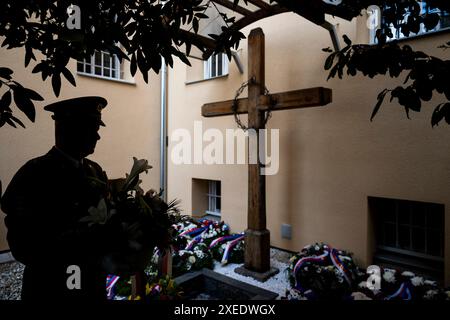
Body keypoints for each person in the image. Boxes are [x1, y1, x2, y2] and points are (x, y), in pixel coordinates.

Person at [1, 96, 125, 301]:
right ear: (70, 129)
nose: (97, 136)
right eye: (92, 128)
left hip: (91, 284)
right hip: (51, 287)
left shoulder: (94, 171)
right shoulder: (35, 173)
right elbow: (22, 244)